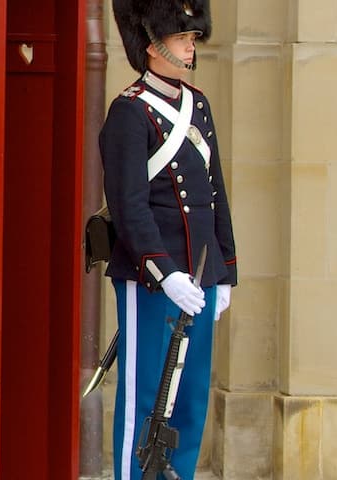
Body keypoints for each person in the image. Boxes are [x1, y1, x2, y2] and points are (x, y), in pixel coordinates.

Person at [101, 0, 236, 478]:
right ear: (152, 44)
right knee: (145, 396)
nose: (189, 45)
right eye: (182, 37)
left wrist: (224, 274)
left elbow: (214, 194)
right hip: (153, 277)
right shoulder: (129, 112)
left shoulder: (198, 105)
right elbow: (129, 206)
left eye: (192, 37)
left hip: (199, 274)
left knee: (191, 398)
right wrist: (165, 270)